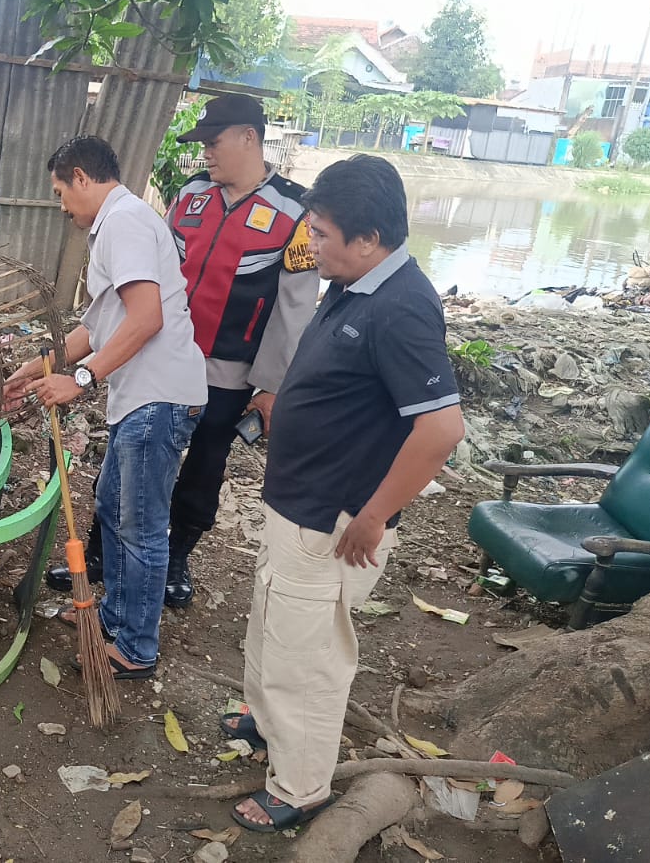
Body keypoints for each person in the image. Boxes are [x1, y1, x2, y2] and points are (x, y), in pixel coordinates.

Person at [228, 155, 464, 831]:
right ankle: (265, 724)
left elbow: (442, 427)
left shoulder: (404, 308)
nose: (312, 246)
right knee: (272, 622)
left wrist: (375, 513)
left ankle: (300, 788)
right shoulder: (354, 280)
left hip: (336, 517)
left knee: (309, 657)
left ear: (368, 239)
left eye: (324, 234)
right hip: (296, 503)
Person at [46, 95, 318, 608]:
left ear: (248, 137)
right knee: (130, 463)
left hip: (229, 365)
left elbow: (294, 310)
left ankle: (174, 558)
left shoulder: (292, 212)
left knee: (202, 468)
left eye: (213, 143)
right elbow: (149, 282)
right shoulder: (190, 196)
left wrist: (272, 387)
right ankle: (105, 555)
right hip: (158, 354)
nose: (206, 155)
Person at [6, 135, 206, 679]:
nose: (61, 205)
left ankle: (137, 648)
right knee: (115, 513)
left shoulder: (125, 222)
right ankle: (114, 617)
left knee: (140, 526)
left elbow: (146, 320)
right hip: (141, 399)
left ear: (81, 177)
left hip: (157, 397)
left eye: (60, 192)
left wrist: (81, 379)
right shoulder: (116, 225)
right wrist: (41, 365)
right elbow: (97, 327)